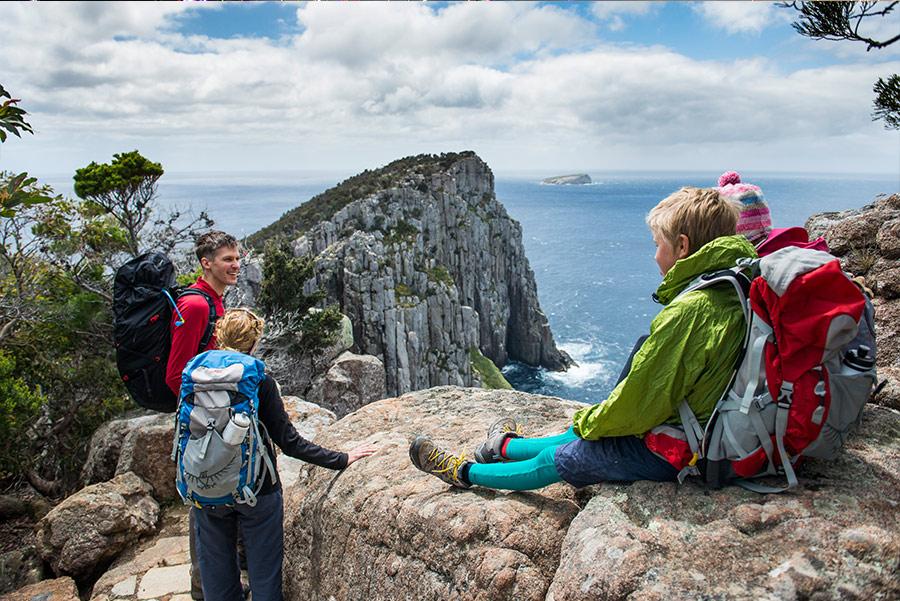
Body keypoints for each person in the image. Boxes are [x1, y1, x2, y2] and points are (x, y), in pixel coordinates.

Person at [409, 187, 757, 491]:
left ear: (682, 247)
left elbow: (636, 408)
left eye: (657, 244)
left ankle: (465, 473)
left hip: (678, 450)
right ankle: (502, 448)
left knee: (563, 458)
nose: (654, 255)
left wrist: (592, 422)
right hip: (706, 430)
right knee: (588, 427)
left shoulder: (692, 311)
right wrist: (594, 424)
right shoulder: (734, 285)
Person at [192, 308, 377, 601]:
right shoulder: (258, 380)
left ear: (218, 338)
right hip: (256, 490)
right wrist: (342, 458)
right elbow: (289, 442)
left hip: (204, 486)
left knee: (216, 577)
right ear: (254, 343)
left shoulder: (195, 375)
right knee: (264, 575)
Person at [165, 230, 240, 599]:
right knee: (204, 500)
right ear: (206, 263)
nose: (236, 265)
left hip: (218, 419)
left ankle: (220, 582)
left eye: (237, 258)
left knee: (220, 494)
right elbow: (176, 373)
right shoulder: (196, 306)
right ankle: (203, 587)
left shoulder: (216, 302)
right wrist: (204, 416)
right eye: (227, 259)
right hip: (202, 424)